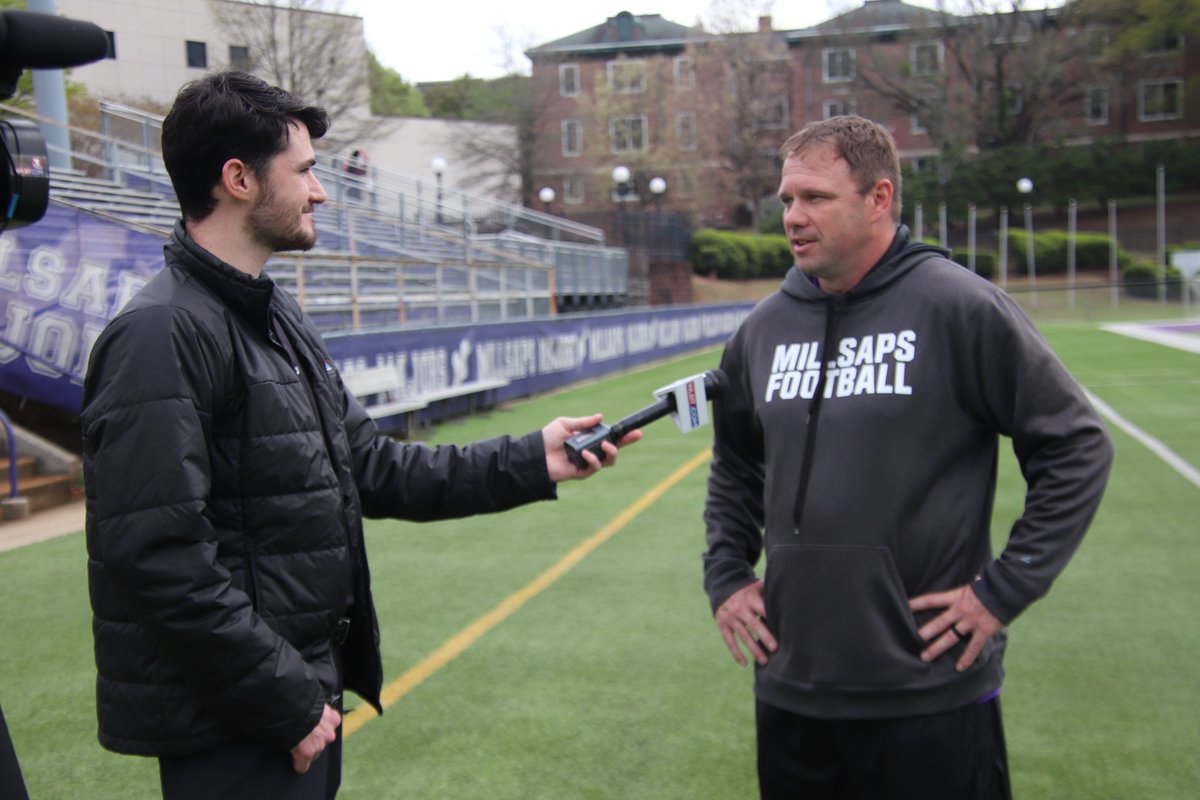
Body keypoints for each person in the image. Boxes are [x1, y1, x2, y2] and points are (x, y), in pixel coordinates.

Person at [81, 71, 638, 800]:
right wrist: (283, 701)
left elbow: (371, 467)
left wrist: (531, 459)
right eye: (306, 171)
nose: (320, 191)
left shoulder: (273, 315)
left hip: (295, 701)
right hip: (238, 723)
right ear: (238, 179)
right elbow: (157, 556)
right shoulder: (159, 333)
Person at [701, 116, 1112, 799]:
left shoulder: (959, 307)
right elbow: (737, 464)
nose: (793, 217)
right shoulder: (763, 330)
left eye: (815, 198)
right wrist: (726, 573)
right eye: (786, 201)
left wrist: (1003, 590)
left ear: (880, 198)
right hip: (792, 688)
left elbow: (1075, 445)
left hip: (928, 691)